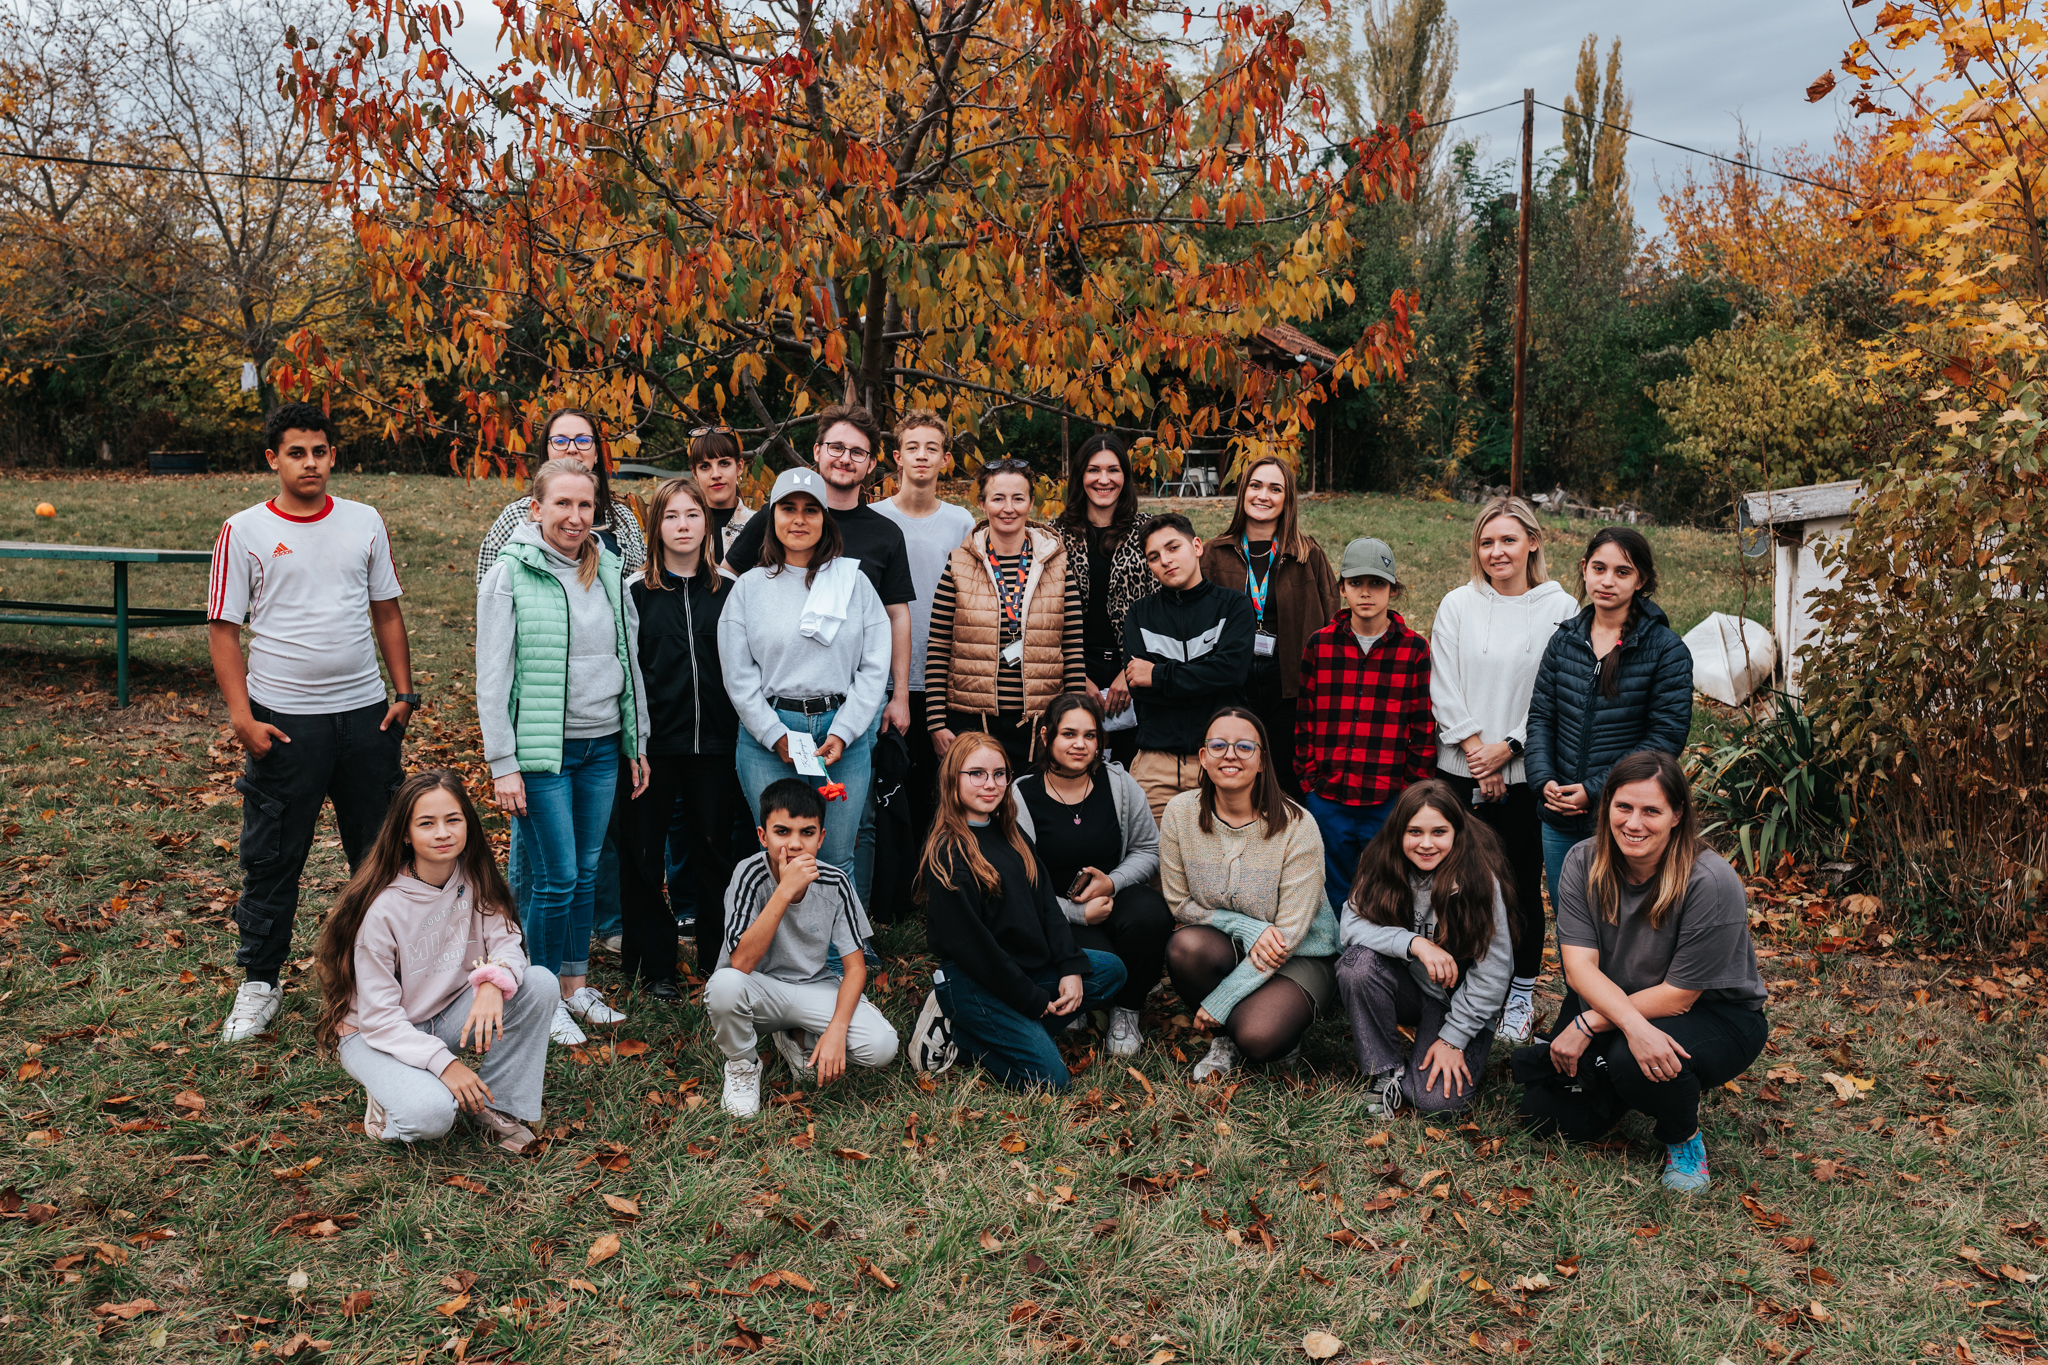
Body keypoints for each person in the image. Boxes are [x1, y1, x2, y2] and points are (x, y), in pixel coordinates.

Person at [208, 402, 415, 1043]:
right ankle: (260, 982)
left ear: (333, 456)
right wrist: (242, 718)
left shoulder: (364, 521)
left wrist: (403, 693)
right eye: (296, 453)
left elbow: (386, 610)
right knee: (273, 856)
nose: (310, 464)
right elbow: (223, 630)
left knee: (380, 855)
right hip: (284, 723)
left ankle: (382, 980)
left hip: (365, 718)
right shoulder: (243, 530)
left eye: (319, 452)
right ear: (273, 459)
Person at [1514, 751, 1769, 1192]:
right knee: (1548, 1118)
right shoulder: (1582, 860)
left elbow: (1679, 997)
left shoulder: (1710, 880)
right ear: (1606, 806)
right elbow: (1579, 968)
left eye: (1651, 810)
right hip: (1616, 996)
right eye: (1624, 807)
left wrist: (1590, 1024)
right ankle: (1629, 1082)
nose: (1634, 823)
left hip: (1715, 1013)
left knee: (1632, 1057)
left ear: (1677, 815)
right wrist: (1619, 1022)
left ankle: (1683, 1136)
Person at [477, 459, 650, 1046]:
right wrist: (503, 764)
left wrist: (636, 740)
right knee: (557, 877)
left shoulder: (609, 570)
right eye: (563, 504)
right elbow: (492, 677)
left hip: (601, 746)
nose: (575, 517)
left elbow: (629, 661)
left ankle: (575, 987)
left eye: (585, 505)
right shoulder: (510, 574)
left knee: (586, 872)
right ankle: (541, 994)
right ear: (536, 509)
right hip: (542, 753)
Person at [722, 403, 916, 908]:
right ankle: (778, 943)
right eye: (788, 509)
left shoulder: (853, 583)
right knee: (778, 855)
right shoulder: (749, 588)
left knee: (836, 855)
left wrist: (846, 730)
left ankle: (841, 943)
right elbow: (739, 676)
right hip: (770, 734)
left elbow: (873, 664)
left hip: (841, 732)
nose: (799, 519)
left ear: (825, 520)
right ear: (772, 517)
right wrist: (775, 735)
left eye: (811, 510)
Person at [315, 769, 551, 1152]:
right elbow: (379, 1018)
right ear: (405, 834)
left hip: (442, 1015)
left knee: (539, 983)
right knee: (433, 1115)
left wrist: (493, 981)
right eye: (427, 823)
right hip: (375, 1033)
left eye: (452, 820)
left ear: (468, 824)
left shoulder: (475, 877)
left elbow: (507, 942)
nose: (442, 833)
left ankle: (497, 1108)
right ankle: (389, 1106)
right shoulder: (382, 908)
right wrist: (446, 1065)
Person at [1428, 496, 1580, 1044]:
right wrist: (1477, 751)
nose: (1497, 551)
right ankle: (1459, 982)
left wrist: (1508, 749)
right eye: (1487, 541)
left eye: (1509, 540)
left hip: (1525, 771)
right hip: (1459, 768)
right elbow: (1443, 682)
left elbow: (1557, 690)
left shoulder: (1561, 607)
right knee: (1455, 881)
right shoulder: (1457, 604)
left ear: (1533, 543)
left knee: (1518, 885)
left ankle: (1518, 993)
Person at [906, 731, 1128, 1089]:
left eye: (999, 774)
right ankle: (962, 1038)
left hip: (1028, 968)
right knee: (1051, 1081)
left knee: (1110, 970)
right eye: (976, 773)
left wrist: (1069, 966)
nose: (990, 784)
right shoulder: (948, 854)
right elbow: (976, 950)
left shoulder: (1010, 833)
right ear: (952, 779)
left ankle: (1013, 1032)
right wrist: (1031, 1000)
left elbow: (1048, 908)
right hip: (975, 981)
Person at [619, 476, 747, 997]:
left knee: (714, 851)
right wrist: (634, 743)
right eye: (671, 516)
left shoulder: (730, 590)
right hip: (653, 748)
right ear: (656, 526)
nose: (683, 525)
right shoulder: (634, 592)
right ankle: (655, 967)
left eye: (692, 515)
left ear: (706, 524)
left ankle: (720, 961)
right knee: (644, 855)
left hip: (717, 743)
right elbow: (626, 671)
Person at [1161, 708, 1338, 1082]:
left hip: (1301, 953)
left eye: (1244, 746)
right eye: (1218, 745)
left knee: (1258, 1037)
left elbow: (1289, 936)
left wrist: (1222, 999)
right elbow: (1178, 902)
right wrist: (1244, 927)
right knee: (1185, 947)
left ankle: (1275, 1026)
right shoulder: (1180, 813)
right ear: (1203, 757)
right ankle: (1224, 1040)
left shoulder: (1298, 826)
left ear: (1262, 760)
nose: (1230, 755)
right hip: (1230, 944)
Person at [1525, 526, 1694, 914]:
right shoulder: (1565, 640)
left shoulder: (1665, 650)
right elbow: (1541, 718)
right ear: (1584, 569)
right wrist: (1544, 781)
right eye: (1599, 568)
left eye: (1622, 572)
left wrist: (1595, 790)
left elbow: (1664, 738)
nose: (1607, 581)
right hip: (1559, 816)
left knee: (1621, 925)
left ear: (1641, 580)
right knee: (1571, 921)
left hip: (1626, 820)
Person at [706, 779, 898, 1118]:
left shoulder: (835, 881)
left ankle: (798, 1038)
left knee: (882, 1045)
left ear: (821, 838)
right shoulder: (748, 874)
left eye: (807, 833)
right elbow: (741, 963)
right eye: (782, 832)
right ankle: (742, 1066)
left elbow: (855, 967)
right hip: (760, 991)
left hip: (814, 987)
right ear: (763, 836)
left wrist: (837, 1030)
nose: (794, 844)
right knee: (723, 985)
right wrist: (784, 891)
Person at [1336, 781, 1515, 1117]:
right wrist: (1414, 943)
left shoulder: (1479, 879)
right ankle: (1385, 1070)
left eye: (1439, 832)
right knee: (1356, 964)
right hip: (1408, 987)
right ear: (1398, 832)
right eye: (1414, 832)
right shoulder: (1379, 861)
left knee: (1434, 1103)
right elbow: (1350, 926)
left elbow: (1494, 971)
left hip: (1457, 1001)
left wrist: (1453, 1039)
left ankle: (1437, 1050)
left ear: (1457, 832)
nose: (1427, 844)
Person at [1010, 693, 1171, 1057]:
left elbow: (1149, 849)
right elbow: (1019, 886)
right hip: (1052, 915)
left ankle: (1127, 1010)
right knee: (1102, 965)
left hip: (1112, 903)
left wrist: (1112, 882)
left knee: (1150, 911)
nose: (1080, 744)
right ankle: (1080, 997)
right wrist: (1077, 913)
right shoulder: (1021, 796)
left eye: (1090, 735)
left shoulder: (1119, 784)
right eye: (1069, 734)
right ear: (1047, 736)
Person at [1295, 536, 1435, 918]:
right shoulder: (1319, 645)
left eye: (1377, 583)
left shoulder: (1414, 649)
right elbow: (1305, 719)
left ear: (1393, 590)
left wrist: (1409, 794)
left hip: (1386, 799)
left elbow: (1423, 727)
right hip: (1329, 797)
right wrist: (1310, 785)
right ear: (1342, 588)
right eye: (1356, 583)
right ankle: (1334, 954)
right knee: (1331, 891)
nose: (1366, 593)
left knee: (1385, 891)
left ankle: (1375, 953)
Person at [926, 457, 1087, 771]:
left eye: (1018, 498)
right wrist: (936, 722)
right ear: (983, 504)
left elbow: (1072, 647)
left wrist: (1076, 718)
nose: (1008, 508)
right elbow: (939, 647)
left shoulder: (1058, 564)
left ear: (1031, 504)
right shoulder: (958, 564)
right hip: (971, 721)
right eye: (998, 498)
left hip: (1041, 724)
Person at [1199, 456, 1336, 801]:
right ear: (1243, 492)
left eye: (1275, 488)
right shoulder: (1214, 554)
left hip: (1289, 683)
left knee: (1286, 781)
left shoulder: (1307, 554)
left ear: (1287, 499)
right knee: (1237, 777)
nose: (1263, 495)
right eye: (1256, 485)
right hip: (1232, 682)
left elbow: (1332, 620)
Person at [874, 410, 976, 870]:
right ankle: (894, 884)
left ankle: (938, 879)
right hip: (887, 677)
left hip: (942, 676)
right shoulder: (876, 518)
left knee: (940, 789)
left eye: (931, 448)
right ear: (897, 457)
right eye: (912, 447)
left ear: (945, 459)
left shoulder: (960, 522)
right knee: (892, 786)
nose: (921, 456)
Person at [1122, 513, 1257, 825]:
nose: (1165, 560)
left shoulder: (1234, 605)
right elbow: (1138, 686)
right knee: (1152, 856)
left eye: (1173, 548)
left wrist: (1158, 675)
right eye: (1154, 557)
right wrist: (1206, 680)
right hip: (1156, 766)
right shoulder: (1139, 613)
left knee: (1225, 855)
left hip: (1221, 758)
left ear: (1197, 546)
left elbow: (1232, 673)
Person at [1052, 433, 1153, 769]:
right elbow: (1043, 615)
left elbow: (1162, 606)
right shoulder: (1054, 536)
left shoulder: (1148, 532)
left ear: (1125, 476)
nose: (1104, 479)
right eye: (1094, 470)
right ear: (1081, 475)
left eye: (1113, 470)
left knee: (1130, 769)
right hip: (1075, 665)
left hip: (1135, 666)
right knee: (1078, 766)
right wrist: (1075, 675)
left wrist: (1132, 669)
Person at [688, 424, 754, 563]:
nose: (716, 474)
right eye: (705, 466)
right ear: (695, 473)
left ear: (739, 467)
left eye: (724, 463)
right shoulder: (685, 527)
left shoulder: (759, 525)